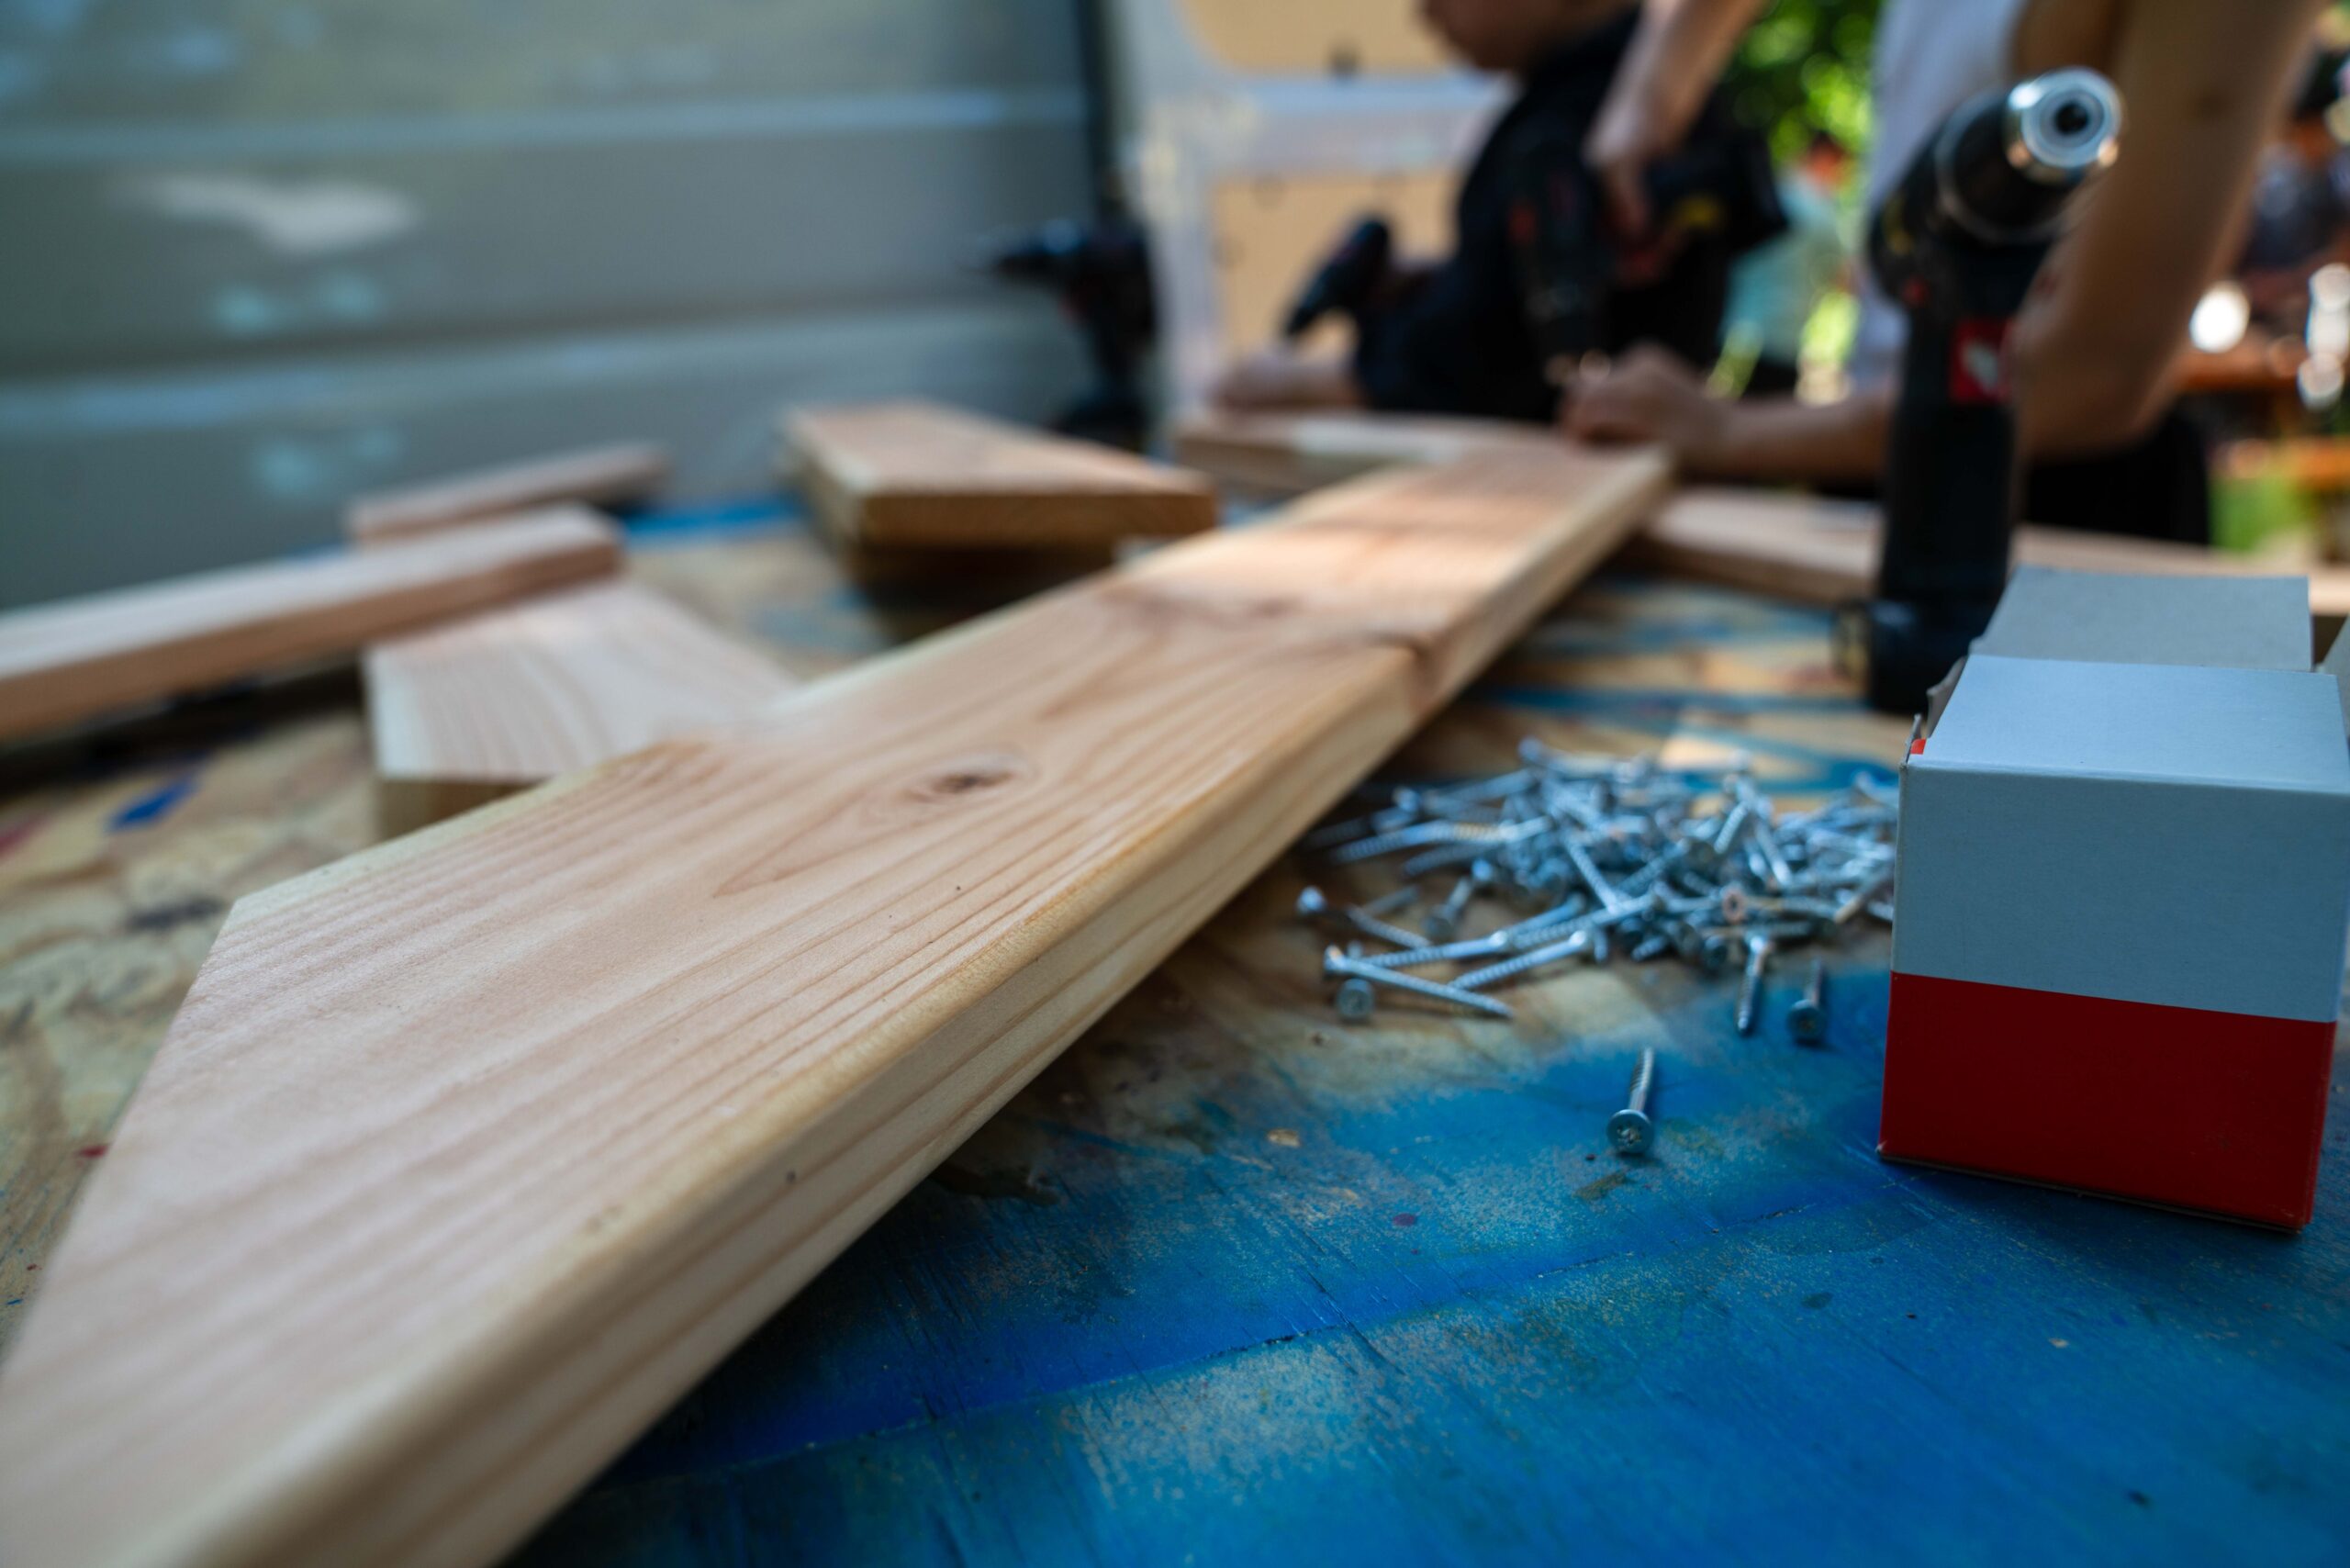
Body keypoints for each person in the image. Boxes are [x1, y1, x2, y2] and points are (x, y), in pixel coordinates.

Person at [1564, 0, 2330, 543]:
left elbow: (2099, 376)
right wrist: (1652, 92)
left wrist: (1728, 432)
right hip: (1886, 456)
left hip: (2050, 513)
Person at [1213, 0, 1768, 423]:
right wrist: (1448, 282)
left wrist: (1298, 381)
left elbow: (1480, 363)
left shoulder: (1581, 116)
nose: (1424, 13)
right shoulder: (1606, 99)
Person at [1718, 130, 1852, 398]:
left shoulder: (1772, 191)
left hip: (1731, 330)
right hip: (1779, 342)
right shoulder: (1821, 212)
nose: (1843, 179)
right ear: (1827, 160)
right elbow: (1848, 281)